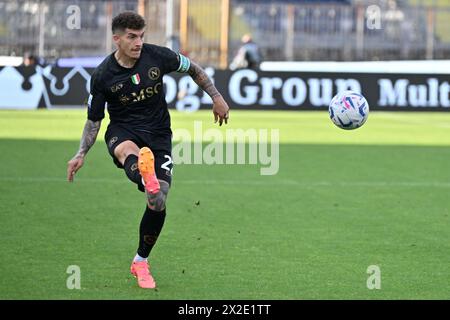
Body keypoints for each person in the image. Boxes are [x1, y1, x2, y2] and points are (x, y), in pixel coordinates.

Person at [66, 11, 229, 289]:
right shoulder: (103, 75)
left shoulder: (158, 56)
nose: (138, 42)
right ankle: (145, 173)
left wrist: (216, 96)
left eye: (141, 36)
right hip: (123, 131)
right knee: (127, 151)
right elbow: (95, 120)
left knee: (158, 201)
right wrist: (81, 152)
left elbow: (194, 69)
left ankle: (140, 260)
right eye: (132, 37)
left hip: (158, 136)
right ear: (117, 39)